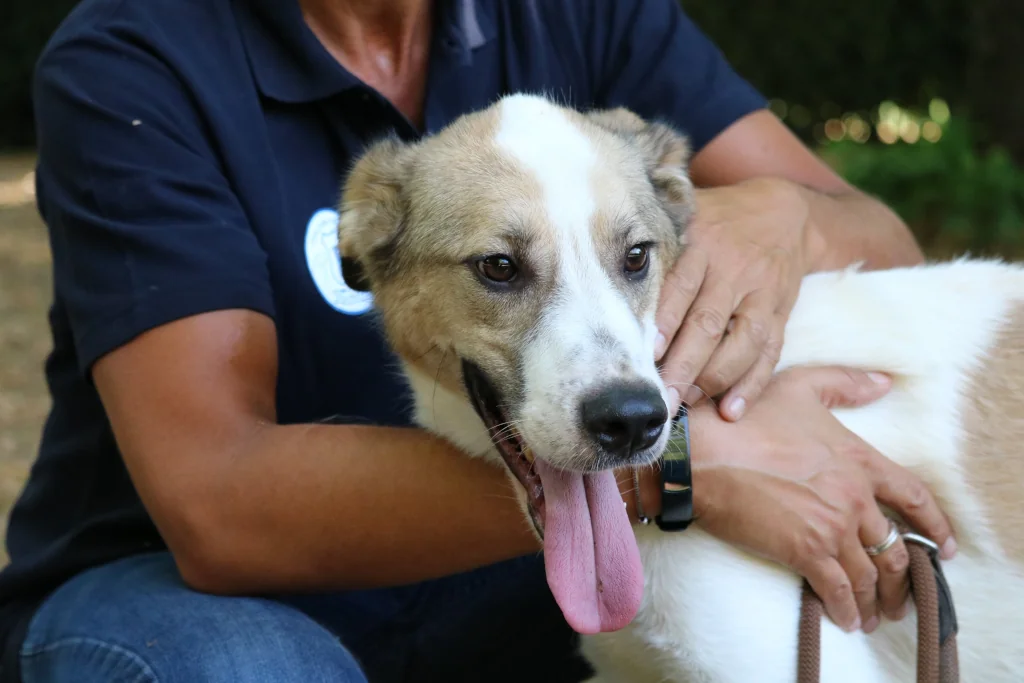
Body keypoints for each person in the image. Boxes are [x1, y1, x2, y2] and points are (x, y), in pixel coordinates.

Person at [0, 0, 957, 681]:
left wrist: (781, 215)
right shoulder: (135, 62)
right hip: (192, 595)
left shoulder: (582, 14)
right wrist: (690, 472)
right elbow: (218, 507)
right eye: (501, 268)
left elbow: (876, 237)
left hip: (514, 572)